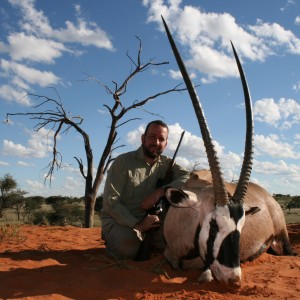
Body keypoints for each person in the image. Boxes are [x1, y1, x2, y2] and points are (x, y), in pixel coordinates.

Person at [100, 120, 190, 259]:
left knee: (178, 246)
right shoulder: (122, 162)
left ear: (166, 144)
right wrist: (138, 224)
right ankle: (111, 238)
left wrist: (160, 192)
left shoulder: (168, 164)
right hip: (120, 220)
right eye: (152, 137)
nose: (156, 142)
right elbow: (111, 203)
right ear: (143, 138)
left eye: (161, 139)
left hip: (152, 221)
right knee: (130, 249)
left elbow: (187, 177)